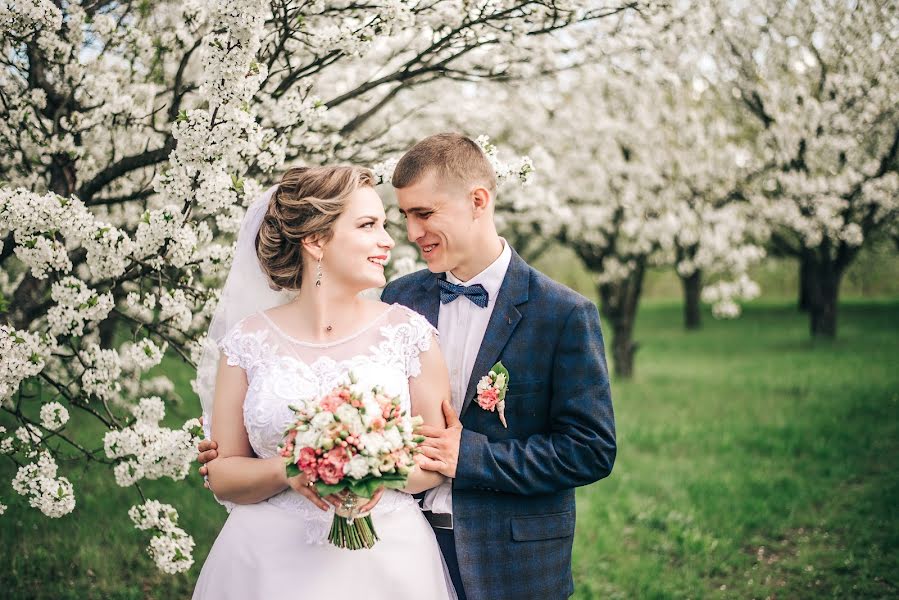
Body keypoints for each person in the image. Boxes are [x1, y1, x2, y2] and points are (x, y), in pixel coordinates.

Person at [199, 133, 616, 600]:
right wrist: (260, 458)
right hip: (385, 539)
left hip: (505, 552)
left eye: (423, 214)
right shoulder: (399, 296)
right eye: (400, 217)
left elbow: (591, 449)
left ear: (478, 201)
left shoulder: (561, 314)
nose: (408, 234)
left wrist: (465, 457)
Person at [192, 165, 456, 600]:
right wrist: (293, 467)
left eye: (383, 226)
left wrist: (370, 468)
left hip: (386, 561)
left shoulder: (411, 334)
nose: (388, 241)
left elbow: (434, 462)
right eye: (368, 225)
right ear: (315, 240)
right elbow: (222, 473)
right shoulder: (246, 341)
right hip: (264, 563)